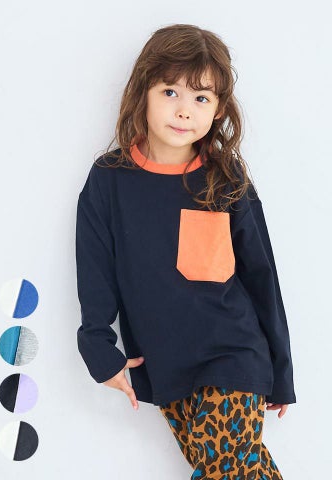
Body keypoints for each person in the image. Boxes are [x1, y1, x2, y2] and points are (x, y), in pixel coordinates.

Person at [75, 23, 296, 479]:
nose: (184, 110)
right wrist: (98, 347)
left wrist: (281, 369)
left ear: (218, 109)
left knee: (223, 466)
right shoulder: (109, 179)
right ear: (144, 92)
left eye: (201, 98)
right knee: (238, 470)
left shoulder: (225, 179)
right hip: (166, 365)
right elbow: (94, 268)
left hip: (235, 355)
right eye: (170, 92)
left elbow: (261, 275)